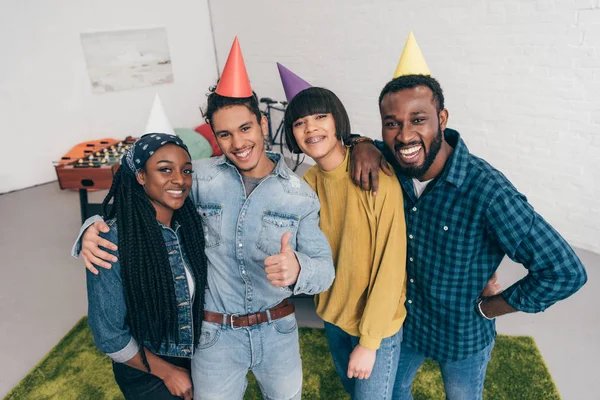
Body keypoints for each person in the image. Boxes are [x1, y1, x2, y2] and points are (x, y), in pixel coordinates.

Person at [73, 38, 335, 400]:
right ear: (215, 136)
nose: (237, 143)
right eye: (224, 134)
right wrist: (92, 228)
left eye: (245, 128)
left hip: (278, 331)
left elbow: (325, 270)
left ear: (261, 123)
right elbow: (143, 197)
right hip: (213, 335)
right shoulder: (197, 178)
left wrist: (299, 270)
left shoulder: (299, 194)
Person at [349, 33, 588, 399]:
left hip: (462, 335)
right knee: (394, 392)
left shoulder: (487, 191)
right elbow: (351, 140)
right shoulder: (390, 162)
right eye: (392, 123)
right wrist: (362, 143)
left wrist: (491, 307)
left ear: (441, 118)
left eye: (418, 119)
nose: (405, 135)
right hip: (404, 325)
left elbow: (565, 270)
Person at [280, 74, 407, 400]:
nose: (310, 128)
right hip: (333, 314)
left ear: (338, 122)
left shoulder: (377, 176)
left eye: (320, 117)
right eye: (300, 122)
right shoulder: (307, 181)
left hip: (376, 323)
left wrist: (369, 342)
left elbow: (390, 267)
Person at [85, 95, 208, 400]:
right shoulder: (111, 241)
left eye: (186, 169)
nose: (179, 179)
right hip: (147, 372)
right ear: (140, 175)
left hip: (195, 356)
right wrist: (168, 372)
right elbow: (110, 336)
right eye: (165, 169)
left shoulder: (189, 229)